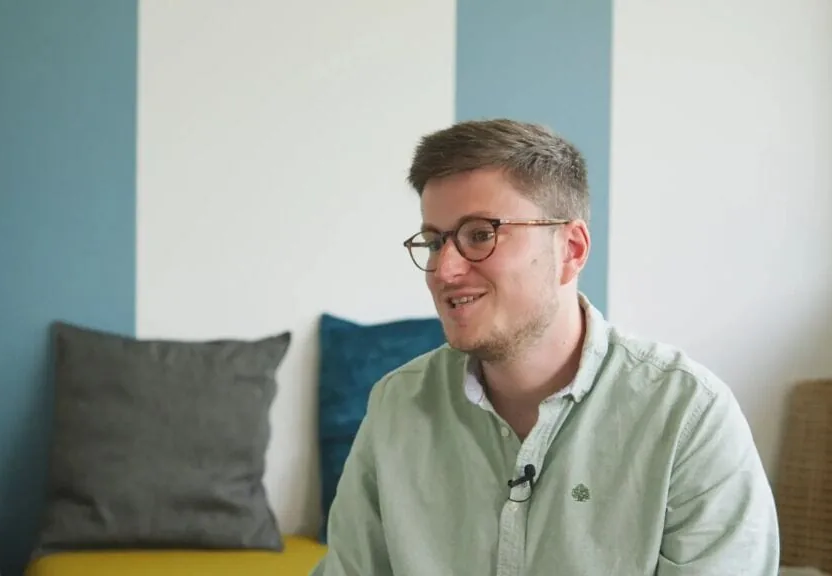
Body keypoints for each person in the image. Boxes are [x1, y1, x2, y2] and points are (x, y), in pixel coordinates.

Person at [310, 119, 780, 575]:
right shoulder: (396, 406)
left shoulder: (687, 417)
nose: (444, 270)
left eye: (480, 234)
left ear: (571, 249)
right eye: (434, 242)